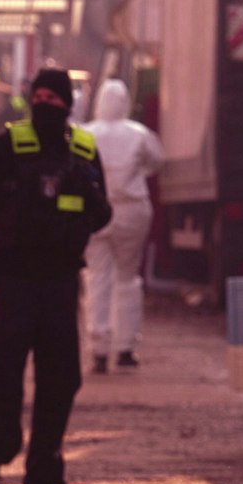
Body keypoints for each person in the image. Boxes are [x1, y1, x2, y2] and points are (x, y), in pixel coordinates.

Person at [0, 67, 112, 484]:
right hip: (16, 283)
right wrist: (10, 191)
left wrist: (88, 194)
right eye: (38, 95)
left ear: (68, 103)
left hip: (62, 283)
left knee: (60, 380)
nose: (46, 103)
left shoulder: (83, 150)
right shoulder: (9, 145)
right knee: (0, 376)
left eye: (54, 97)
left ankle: (43, 479)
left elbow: (103, 217)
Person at [82, 79, 162, 373]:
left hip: (96, 210)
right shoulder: (140, 135)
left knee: (96, 277)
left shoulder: (85, 134)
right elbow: (156, 162)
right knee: (128, 277)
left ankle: (99, 348)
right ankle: (126, 347)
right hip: (132, 210)